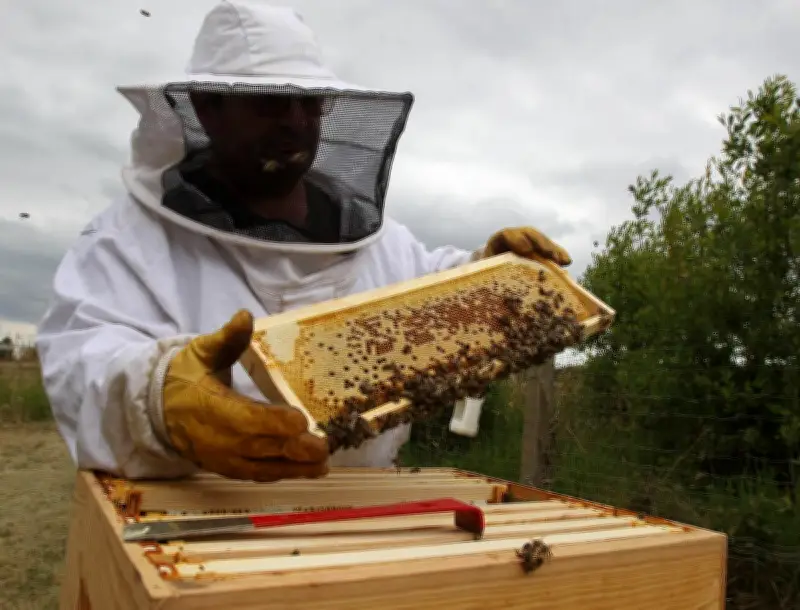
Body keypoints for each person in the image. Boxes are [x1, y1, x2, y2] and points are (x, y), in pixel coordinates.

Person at [35, 0, 572, 483]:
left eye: (310, 104)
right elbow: (79, 362)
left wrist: (487, 277)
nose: (295, 122)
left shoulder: (377, 239)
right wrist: (156, 397)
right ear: (206, 108)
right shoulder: (126, 241)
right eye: (271, 103)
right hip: (200, 523)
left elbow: (425, 292)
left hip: (367, 517)